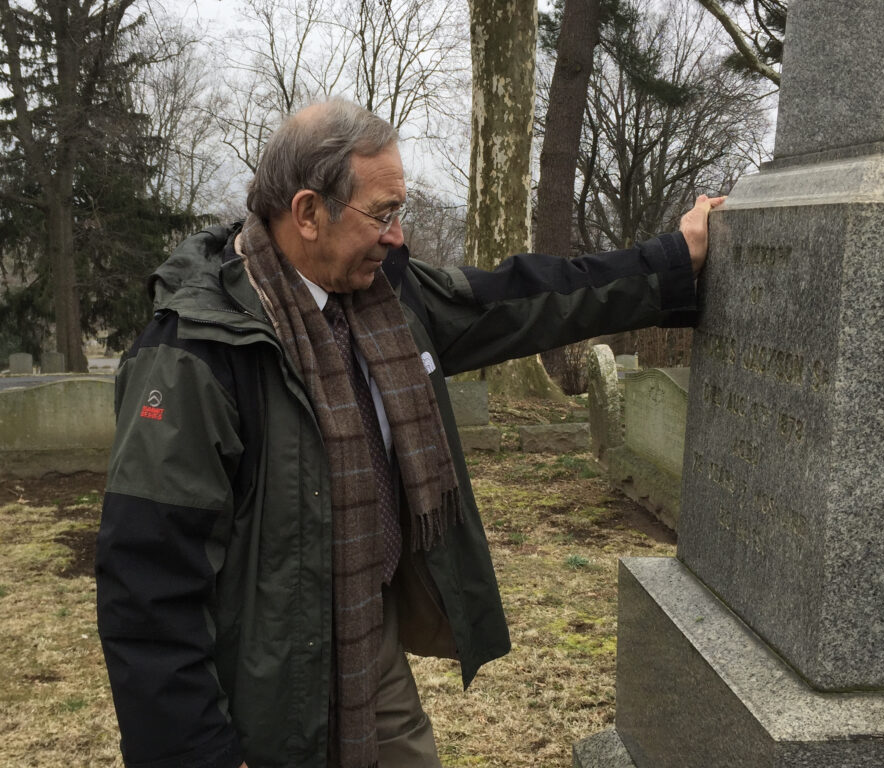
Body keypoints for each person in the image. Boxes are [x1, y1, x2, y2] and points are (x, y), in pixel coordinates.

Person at [95, 98, 724, 768]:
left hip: (366, 638)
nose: (398, 237)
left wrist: (668, 264)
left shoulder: (387, 301)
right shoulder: (198, 350)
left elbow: (523, 298)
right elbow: (148, 583)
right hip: (258, 680)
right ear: (307, 213)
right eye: (383, 214)